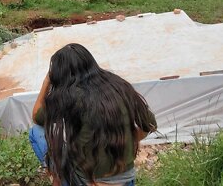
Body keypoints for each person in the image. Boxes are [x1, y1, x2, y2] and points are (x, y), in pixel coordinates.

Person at [29, 43, 157, 186]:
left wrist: (47, 80)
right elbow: (150, 125)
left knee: (36, 132)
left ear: (59, 74)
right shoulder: (118, 85)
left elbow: (36, 116)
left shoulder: (68, 96)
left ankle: (60, 178)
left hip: (88, 181)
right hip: (126, 179)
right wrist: (131, 140)